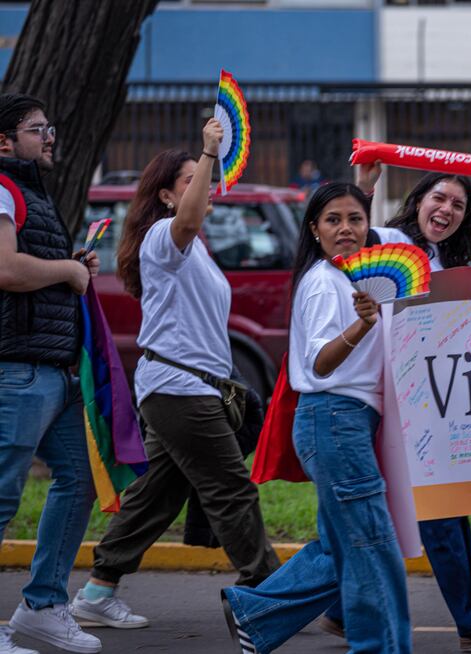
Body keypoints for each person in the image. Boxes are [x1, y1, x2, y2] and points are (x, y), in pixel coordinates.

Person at [71, 121, 280, 630]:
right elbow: (184, 223)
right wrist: (210, 151)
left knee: (157, 498)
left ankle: (98, 591)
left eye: (202, 177)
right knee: (231, 490)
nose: (202, 187)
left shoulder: (194, 247)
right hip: (178, 391)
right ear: (166, 196)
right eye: (189, 181)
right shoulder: (165, 236)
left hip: (184, 389)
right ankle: (274, 593)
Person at [319, 162, 471, 650]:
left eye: (458, 205)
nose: (447, 209)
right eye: (440, 198)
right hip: (396, 405)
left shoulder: (437, 259)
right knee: (433, 511)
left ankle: (332, 610)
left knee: (388, 519)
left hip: (423, 408)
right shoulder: (391, 238)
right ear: (418, 201)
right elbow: (354, 233)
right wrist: (364, 185)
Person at [221, 183, 411, 654]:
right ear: (315, 229)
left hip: (345, 424)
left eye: (355, 219)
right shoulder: (326, 282)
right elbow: (322, 362)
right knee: (372, 547)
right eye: (333, 220)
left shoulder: (359, 274)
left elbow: (405, 239)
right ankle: (381, 648)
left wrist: (366, 185)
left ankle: (256, 614)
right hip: (336, 419)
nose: (345, 228)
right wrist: (362, 324)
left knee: (344, 547)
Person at [0, 92, 102, 654]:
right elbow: (6, 269)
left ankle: (42, 607)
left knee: (80, 479)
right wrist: (66, 267)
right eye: (39, 129)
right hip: (18, 370)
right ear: (5, 140)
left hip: (54, 371)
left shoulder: (31, 192)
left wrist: (70, 269)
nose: (50, 137)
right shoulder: (4, 187)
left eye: (50, 128)